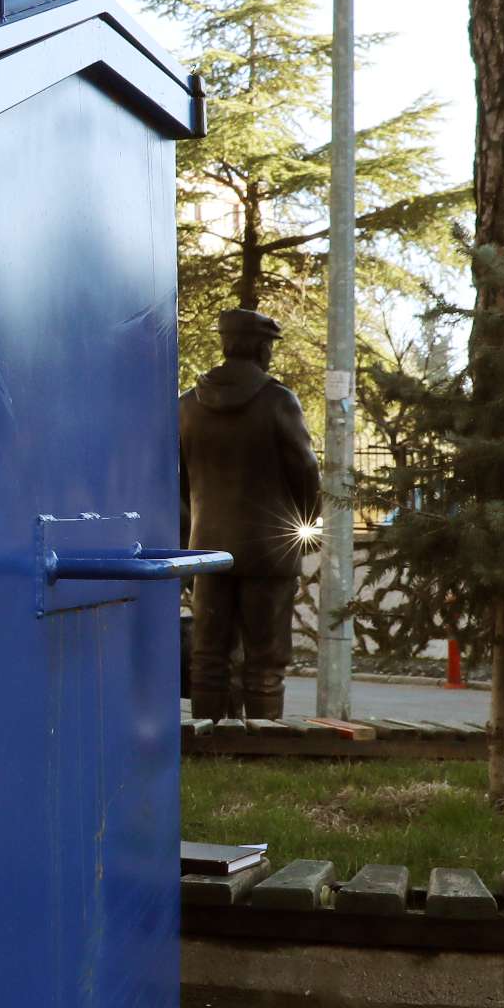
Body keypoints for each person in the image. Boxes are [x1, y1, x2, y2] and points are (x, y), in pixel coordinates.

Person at [178, 308, 323, 720]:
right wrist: (308, 525)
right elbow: (306, 470)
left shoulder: (187, 406)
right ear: (260, 349)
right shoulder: (279, 401)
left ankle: (209, 735)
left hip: (207, 552)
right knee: (265, 660)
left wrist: (189, 539)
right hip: (269, 552)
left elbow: (176, 484)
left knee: (208, 657)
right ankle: (262, 739)